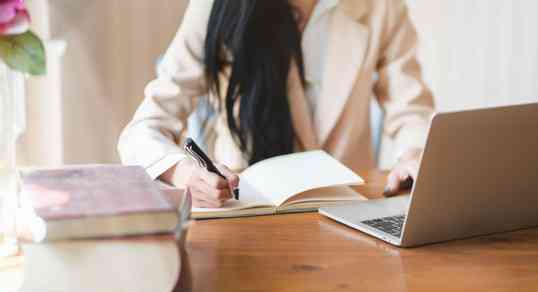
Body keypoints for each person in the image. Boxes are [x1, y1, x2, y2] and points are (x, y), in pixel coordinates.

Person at [118, 0, 434, 208]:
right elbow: (144, 129)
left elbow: (410, 110)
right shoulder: (215, 7)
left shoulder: (380, 6)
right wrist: (185, 174)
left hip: (346, 211)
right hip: (246, 211)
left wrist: (413, 156)